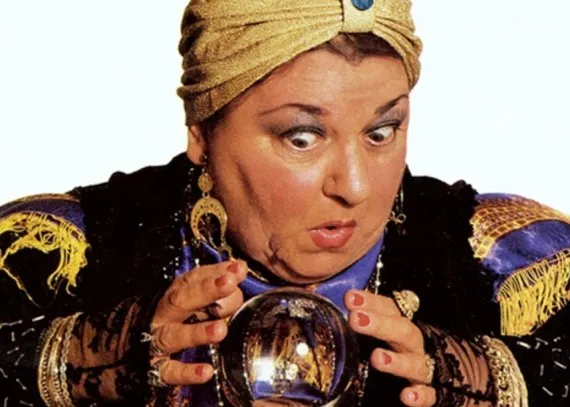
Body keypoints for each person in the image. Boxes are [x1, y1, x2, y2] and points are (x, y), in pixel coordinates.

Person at [0, 0, 569, 406]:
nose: (355, 186)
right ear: (201, 130)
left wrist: (496, 378)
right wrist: (68, 360)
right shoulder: (52, 255)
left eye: (382, 131)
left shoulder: (506, 260)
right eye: (302, 137)